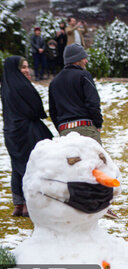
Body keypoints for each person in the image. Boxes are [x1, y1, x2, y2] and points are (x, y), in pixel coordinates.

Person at [1, 56, 53, 217]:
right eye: (23, 67)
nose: (26, 70)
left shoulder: (6, 86)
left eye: (27, 66)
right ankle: (29, 205)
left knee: (17, 168)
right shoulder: (22, 86)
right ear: (15, 69)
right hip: (27, 131)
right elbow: (36, 108)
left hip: (11, 132)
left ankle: (18, 204)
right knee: (31, 168)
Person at [49, 44, 102, 145]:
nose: (86, 61)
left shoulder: (54, 82)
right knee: (95, 160)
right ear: (77, 59)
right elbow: (93, 102)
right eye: (84, 58)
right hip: (85, 128)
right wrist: (98, 124)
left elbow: (53, 111)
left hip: (64, 131)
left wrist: (61, 129)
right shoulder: (84, 75)